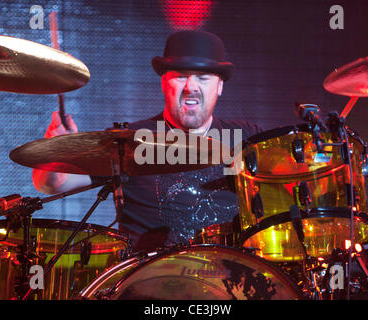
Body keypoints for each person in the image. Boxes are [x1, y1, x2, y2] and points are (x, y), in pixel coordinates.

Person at [33, 30, 262, 251]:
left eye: (203, 78)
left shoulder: (245, 138)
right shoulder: (128, 140)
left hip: (227, 279)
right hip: (149, 280)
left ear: (220, 86)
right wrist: (56, 153)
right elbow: (52, 184)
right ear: (163, 83)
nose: (191, 87)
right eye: (180, 77)